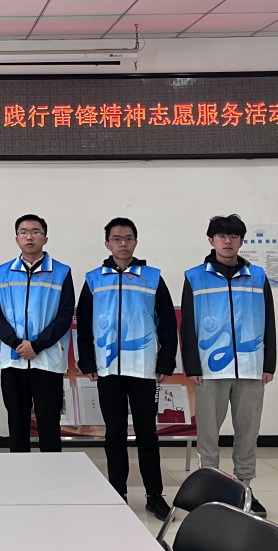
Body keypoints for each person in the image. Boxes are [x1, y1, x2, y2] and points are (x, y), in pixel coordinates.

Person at [75, 218, 178, 521]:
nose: (123, 244)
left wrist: (165, 362)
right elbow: (83, 324)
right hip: (108, 369)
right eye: (117, 239)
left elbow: (168, 324)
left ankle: (154, 495)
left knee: (147, 435)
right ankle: (117, 493)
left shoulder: (152, 278)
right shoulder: (94, 279)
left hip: (144, 369)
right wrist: (87, 362)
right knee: (115, 434)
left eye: (128, 238)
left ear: (136, 242)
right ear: (107, 243)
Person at [181, 214, 276, 518]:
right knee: (208, 435)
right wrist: (192, 365)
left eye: (233, 236)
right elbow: (188, 325)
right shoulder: (195, 277)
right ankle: (209, 490)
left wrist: (269, 362)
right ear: (211, 240)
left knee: (248, 433)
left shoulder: (257, 276)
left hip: (251, 367)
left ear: (241, 241)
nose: (227, 241)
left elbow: (269, 321)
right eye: (221, 236)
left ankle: (244, 490)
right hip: (209, 369)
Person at [0, 214, 75, 452]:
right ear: (16, 238)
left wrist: (36, 346)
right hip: (13, 360)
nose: (30, 237)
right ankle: (20, 473)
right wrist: (16, 343)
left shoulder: (61, 272)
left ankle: (51, 473)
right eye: (24, 232)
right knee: (17, 424)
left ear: (45, 238)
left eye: (36, 232)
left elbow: (64, 316)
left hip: (47, 361)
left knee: (49, 424)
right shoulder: (4, 271)